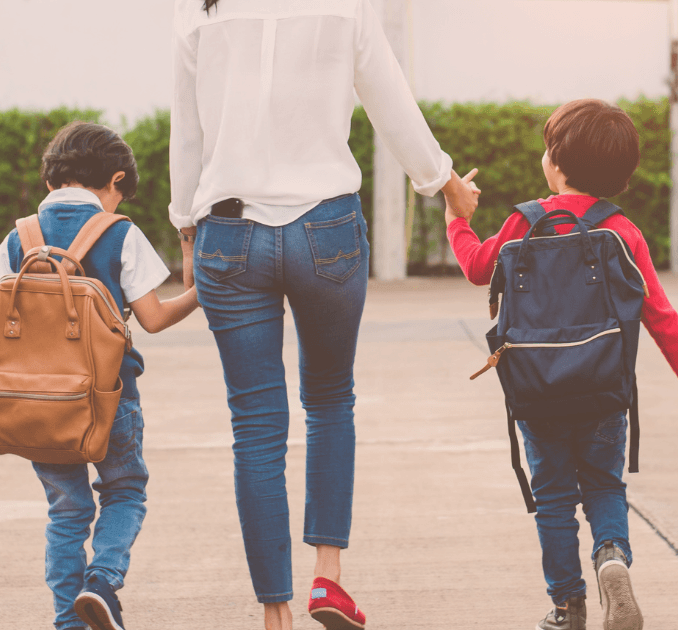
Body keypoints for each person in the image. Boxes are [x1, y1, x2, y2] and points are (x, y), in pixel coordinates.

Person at [166, 1, 481, 629]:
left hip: (227, 230)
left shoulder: (198, 9)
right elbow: (390, 100)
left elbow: (188, 129)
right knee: (331, 400)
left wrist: (184, 229)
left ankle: (274, 612)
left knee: (255, 422)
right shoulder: (346, 5)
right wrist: (442, 181)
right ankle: (327, 581)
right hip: (327, 227)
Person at [445, 98, 678, 630]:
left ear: (556, 164)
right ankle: (611, 557)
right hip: (604, 389)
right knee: (605, 487)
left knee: (555, 499)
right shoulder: (621, 231)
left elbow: (476, 268)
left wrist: (457, 217)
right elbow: (659, 313)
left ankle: (568, 606)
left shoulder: (524, 223)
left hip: (538, 391)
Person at [0, 121, 200, 630]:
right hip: (108, 399)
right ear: (115, 180)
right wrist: (201, 290)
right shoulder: (120, 233)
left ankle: (67, 621)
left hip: (33, 406)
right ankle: (101, 583)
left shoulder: (19, 236)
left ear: (52, 181)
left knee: (67, 513)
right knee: (125, 490)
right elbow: (155, 318)